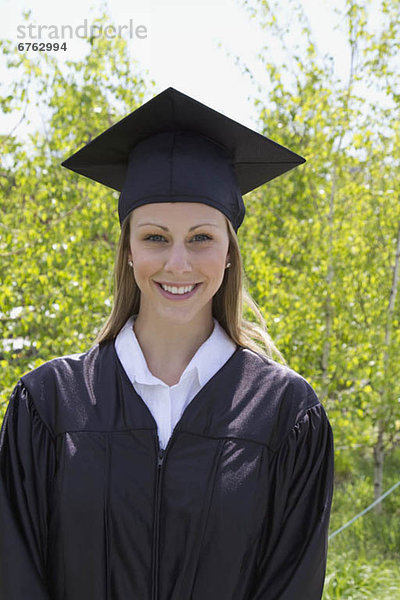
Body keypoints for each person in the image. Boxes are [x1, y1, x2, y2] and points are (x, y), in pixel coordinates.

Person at [0, 87, 334, 600]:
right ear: (129, 251)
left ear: (228, 254)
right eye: (155, 237)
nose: (178, 263)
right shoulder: (48, 405)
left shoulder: (285, 415)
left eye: (201, 238)